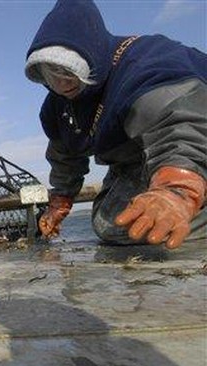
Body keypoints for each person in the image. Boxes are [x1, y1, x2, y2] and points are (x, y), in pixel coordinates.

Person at [24, 0, 206, 249]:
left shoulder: (147, 66)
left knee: (152, 222)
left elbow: (181, 127)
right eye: (47, 74)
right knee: (111, 224)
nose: (61, 84)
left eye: (66, 70)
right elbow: (64, 153)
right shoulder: (58, 106)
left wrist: (177, 190)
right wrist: (60, 201)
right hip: (136, 161)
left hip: (193, 144)